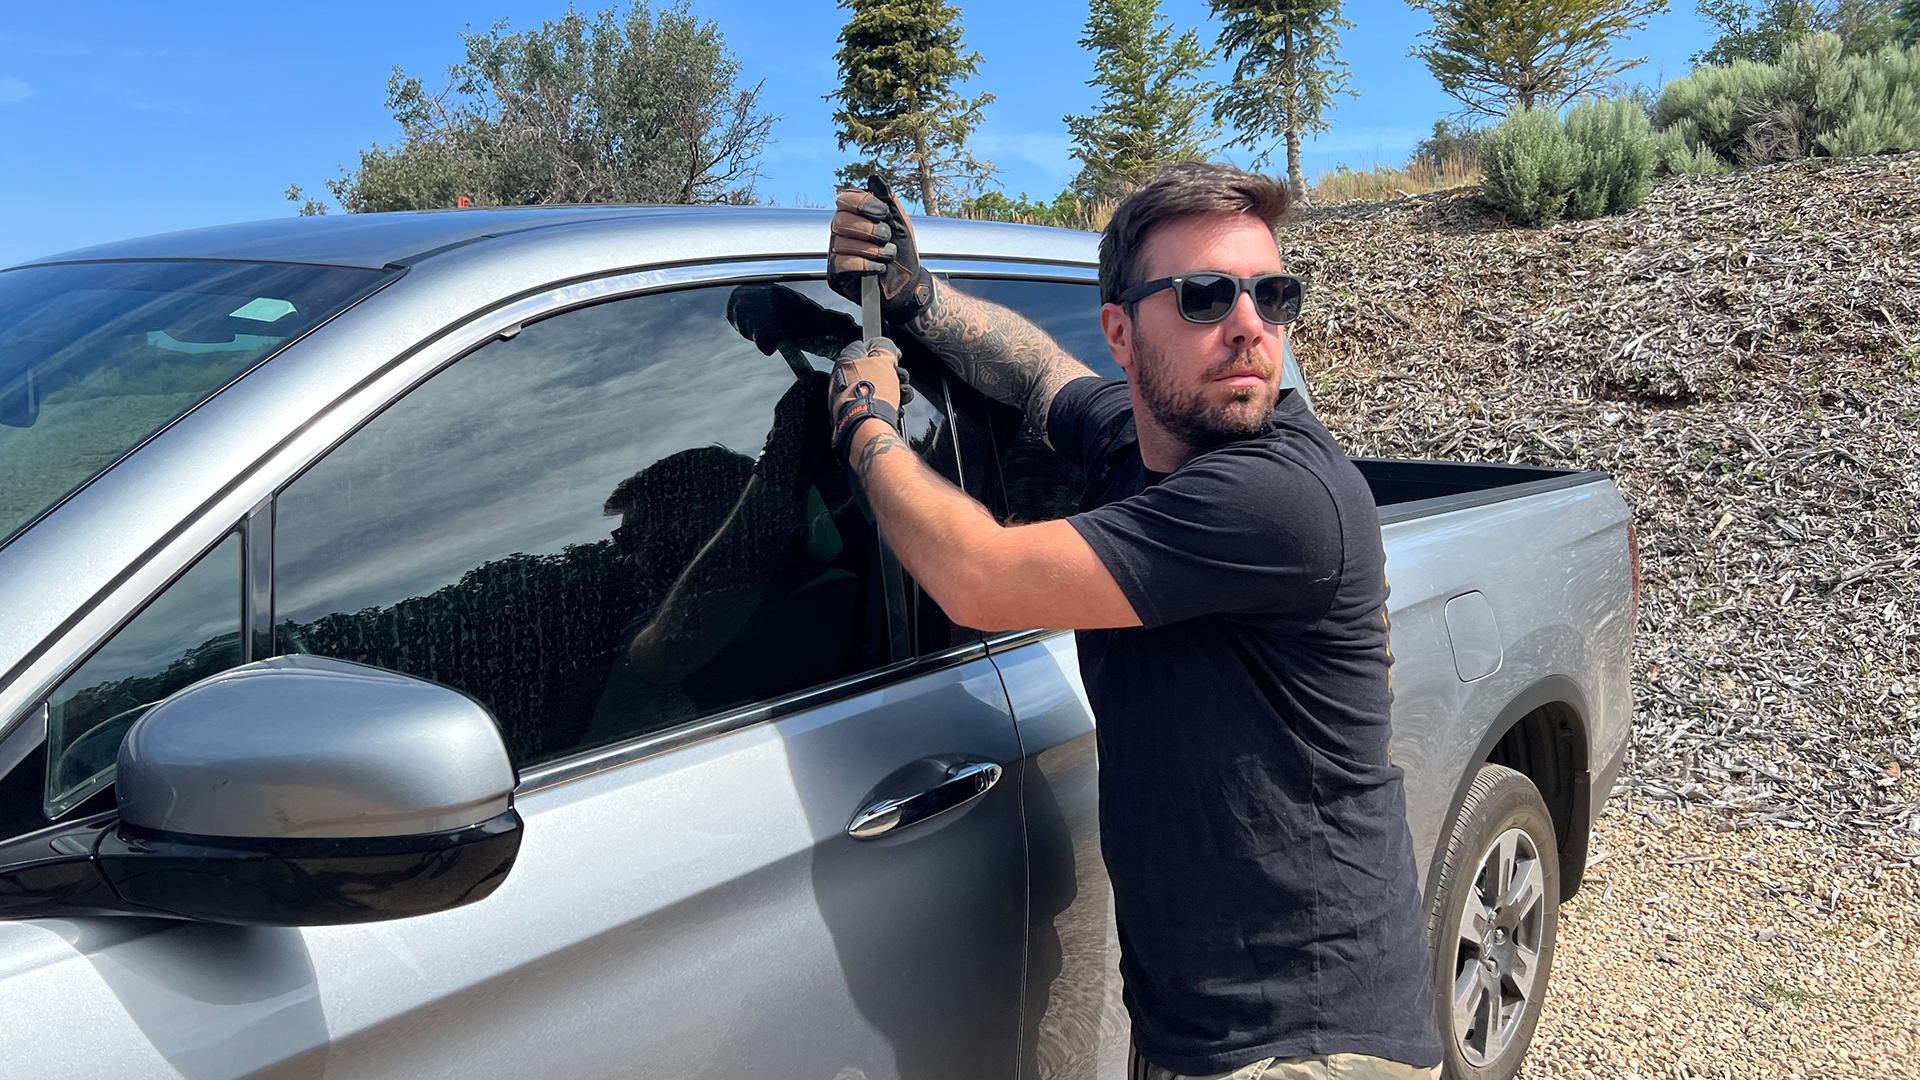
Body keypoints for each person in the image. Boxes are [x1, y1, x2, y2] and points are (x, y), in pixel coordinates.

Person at [822, 162, 1444, 1080]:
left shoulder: (1281, 496)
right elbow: (1039, 375)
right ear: (1121, 332)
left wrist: (864, 425)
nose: (1248, 326)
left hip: (1307, 1045)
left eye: (1272, 296)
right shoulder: (1147, 440)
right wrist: (916, 297)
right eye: (1204, 297)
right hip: (1198, 1027)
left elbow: (977, 579)